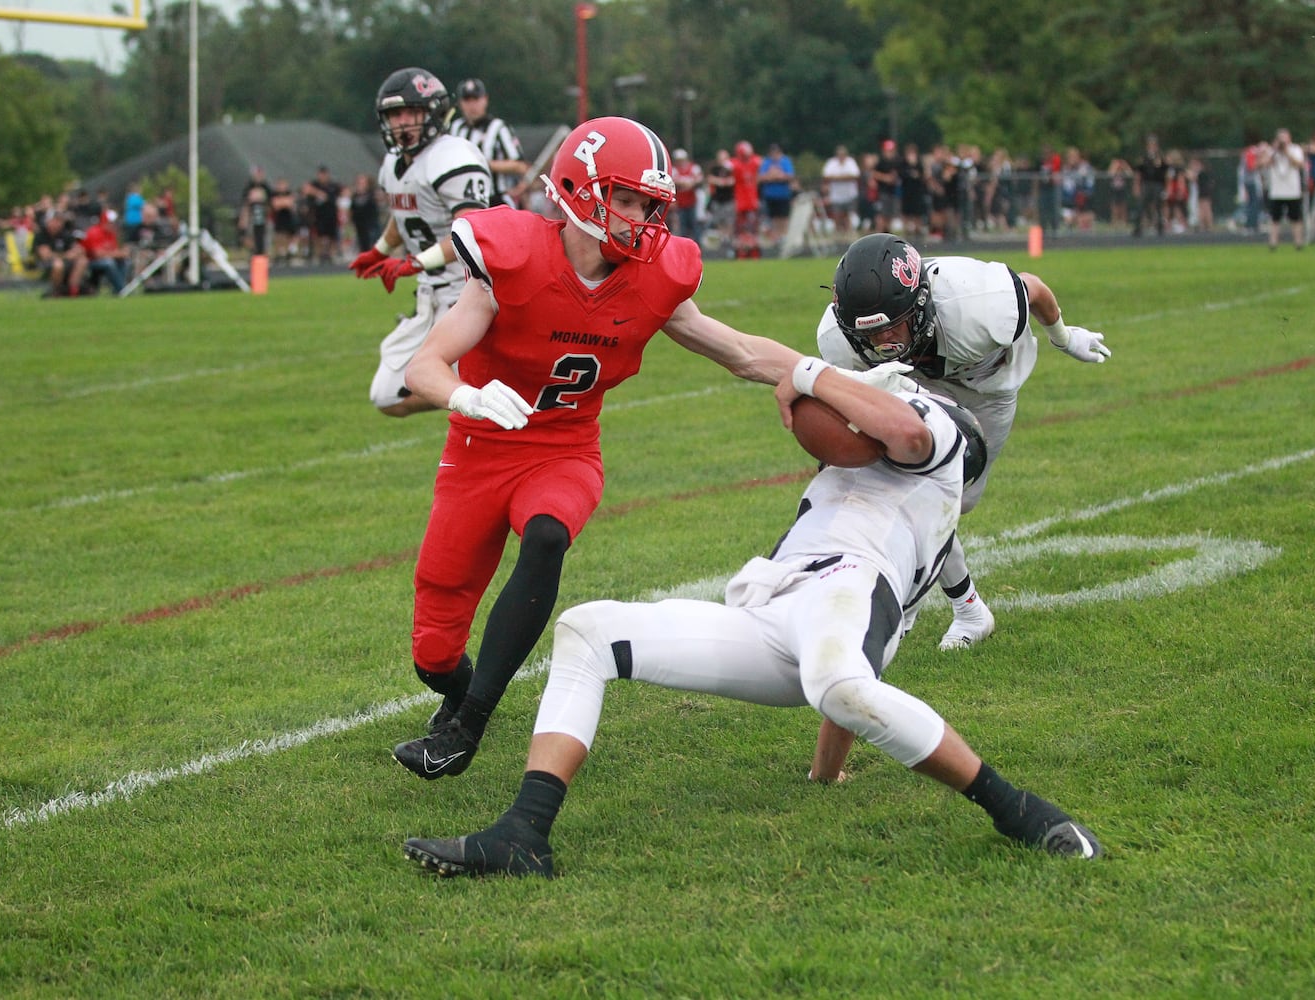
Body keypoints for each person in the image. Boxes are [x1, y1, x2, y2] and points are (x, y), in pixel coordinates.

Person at [401, 365, 1102, 878]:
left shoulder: (939, 449)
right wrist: (827, 773)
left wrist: (807, 372)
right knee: (588, 629)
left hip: (845, 590)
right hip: (776, 610)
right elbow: (859, 676)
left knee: (837, 681)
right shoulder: (859, 474)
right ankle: (525, 832)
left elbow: (904, 434)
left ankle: (1020, 811)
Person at [388, 116, 805, 782]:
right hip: (478, 449)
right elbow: (425, 365)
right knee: (433, 652)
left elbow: (743, 352)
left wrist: (825, 377)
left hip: (565, 449)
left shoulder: (652, 278)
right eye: (629, 199)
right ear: (581, 189)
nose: (643, 218)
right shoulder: (515, 254)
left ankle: (468, 729)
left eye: (650, 204)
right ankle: (457, 692)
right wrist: (462, 397)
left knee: (548, 535)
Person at [815, 233, 1111, 650]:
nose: (883, 344)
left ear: (919, 304)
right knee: (911, 487)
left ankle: (943, 603)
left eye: (892, 327)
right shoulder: (839, 339)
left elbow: (1036, 288)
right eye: (872, 334)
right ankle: (962, 607)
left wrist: (1063, 337)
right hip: (914, 383)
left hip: (988, 389)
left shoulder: (977, 301)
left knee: (956, 500)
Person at [348, 67, 494, 417]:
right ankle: (473, 396)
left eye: (407, 113)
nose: (399, 123)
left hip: (469, 291)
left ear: (432, 112)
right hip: (430, 292)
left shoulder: (454, 155)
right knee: (387, 397)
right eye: (393, 115)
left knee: (461, 378)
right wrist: (379, 251)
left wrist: (415, 262)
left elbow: (472, 231)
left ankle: (479, 398)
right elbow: (403, 214)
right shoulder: (393, 163)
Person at [450, 78, 528, 209]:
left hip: (494, 200)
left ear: (485, 99)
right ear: (460, 103)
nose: (472, 105)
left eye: (476, 99)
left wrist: (483, 163)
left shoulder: (498, 128)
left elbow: (520, 166)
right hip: (461, 200)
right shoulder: (455, 128)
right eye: (467, 100)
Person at [1261, 127, 1306, 250]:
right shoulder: (1272, 152)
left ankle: (1298, 242)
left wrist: (1286, 152)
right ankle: (1273, 243)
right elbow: (1263, 164)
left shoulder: (1295, 149)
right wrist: (1274, 151)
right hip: (1277, 191)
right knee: (1275, 219)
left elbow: (1300, 164)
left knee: (1296, 218)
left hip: (1292, 191)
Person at [31, 211, 86, 297]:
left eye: (60, 221)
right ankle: (56, 291)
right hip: (45, 263)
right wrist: (65, 255)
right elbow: (45, 255)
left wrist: (73, 253)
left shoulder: (65, 234)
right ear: (48, 222)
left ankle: (73, 290)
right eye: (55, 220)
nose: (58, 224)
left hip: (65, 261)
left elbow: (78, 250)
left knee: (82, 261)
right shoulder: (41, 235)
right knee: (58, 264)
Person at [77, 211, 130, 294]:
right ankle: (122, 290)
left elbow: (114, 250)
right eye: (111, 222)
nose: (113, 224)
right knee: (109, 263)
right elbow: (97, 254)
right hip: (91, 261)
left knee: (124, 262)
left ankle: (119, 289)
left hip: (106, 259)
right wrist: (117, 254)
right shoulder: (94, 232)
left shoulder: (111, 233)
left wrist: (121, 253)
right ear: (104, 222)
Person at [301, 165, 342, 264]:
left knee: (331, 235)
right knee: (319, 235)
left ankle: (330, 254)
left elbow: (329, 197)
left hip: (330, 214)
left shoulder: (332, 186)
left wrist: (315, 192)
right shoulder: (315, 184)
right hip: (318, 215)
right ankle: (320, 254)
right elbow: (305, 189)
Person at [758, 143, 797, 244]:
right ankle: (775, 238)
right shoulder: (766, 162)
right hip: (770, 196)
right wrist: (774, 176)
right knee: (773, 218)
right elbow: (762, 177)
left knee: (783, 217)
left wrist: (776, 176)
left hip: (783, 195)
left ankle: (783, 236)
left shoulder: (785, 161)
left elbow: (789, 176)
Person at [730, 140, 763, 258]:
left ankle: (752, 250)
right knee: (741, 229)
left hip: (751, 200)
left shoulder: (755, 162)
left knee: (752, 229)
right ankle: (742, 250)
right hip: (741, 201)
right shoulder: (735, 164)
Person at [821, 144, 861, 237]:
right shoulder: (831, 163)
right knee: (837, 216)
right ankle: (838, 235)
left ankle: (850, 234)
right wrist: (845, 177)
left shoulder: (850, 162)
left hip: (850, 195)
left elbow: (855, 175)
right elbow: (826, 176)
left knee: (849, 216)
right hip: (836, 196)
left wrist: (836, 178)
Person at [704, 148, 736, 256]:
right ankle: (722, 241)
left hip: (728, 200)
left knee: (729, 222)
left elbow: (732, 181)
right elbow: (710, 179)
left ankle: (728, 241)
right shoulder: (715, 169)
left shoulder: (731, 169)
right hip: (718, 199)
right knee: (719, 221)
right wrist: (721, 182)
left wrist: (722, 182)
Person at [669, 148, 705, 243]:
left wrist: (689, 183)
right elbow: (674, 181)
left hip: (692, 202)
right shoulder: (674, 169)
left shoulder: (693, 168)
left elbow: (699, 179)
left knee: (695, 226)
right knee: (683, 227)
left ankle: (697, 245)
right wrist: (688, 183)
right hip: (680, 203)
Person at [1133, 134, 1165, 237]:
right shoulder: (1143, 158)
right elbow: (1138, 172)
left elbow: (1164, 172)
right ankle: (1138, 227)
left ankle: (1160, 226)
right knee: (1141, 205)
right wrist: (1136, 186)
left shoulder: (1160, 157)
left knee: (1158, 205)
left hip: (1157, 184)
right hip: (1146, 184)